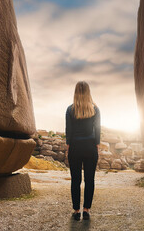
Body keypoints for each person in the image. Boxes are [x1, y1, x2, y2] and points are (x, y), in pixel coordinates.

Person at [65, 81, 101, 221]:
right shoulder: (95, 109)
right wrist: (97, 145)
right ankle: (86, 210)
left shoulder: (70, 109)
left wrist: (69, 146)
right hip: (90, 146)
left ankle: (76, 210)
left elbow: (69, 130)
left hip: (75, 146)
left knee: (75, 180)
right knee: (89, 179)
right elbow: (97, 129)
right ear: (88, 92)